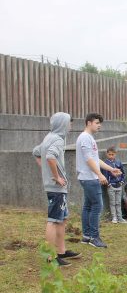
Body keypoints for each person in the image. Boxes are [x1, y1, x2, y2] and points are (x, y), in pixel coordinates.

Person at [33, 112, 81, 267]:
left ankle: (61, 251)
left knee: (62, 219)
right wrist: (56, 176)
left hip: (56, 187)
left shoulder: (49, 137)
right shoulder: (57, 140)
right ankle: (50, 256)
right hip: (56, 187)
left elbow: (36, 152)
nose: (70, 125)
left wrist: (45, 170)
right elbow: (50, 157)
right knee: (53, 220)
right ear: (62, 124)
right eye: (68, 122)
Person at [76, 113, 121, 248]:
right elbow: (88, 159)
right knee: (97, 206)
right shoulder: (85, 138)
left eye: (100, 123)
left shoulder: (89, 138)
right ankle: (94, 238)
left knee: (88, 206)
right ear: (89, 123)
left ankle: (86, 236)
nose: (99, 125)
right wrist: (100, 175)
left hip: (89, 177)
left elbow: (95, 159)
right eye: (96, 122)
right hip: (89, 178)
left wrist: (110, 169)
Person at [102, 146, 127, 224]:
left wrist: (122, 181)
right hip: (111, 185)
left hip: (119, 184)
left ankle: (120, 217)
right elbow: (104, 174)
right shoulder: (105, 163)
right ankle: (114, 217)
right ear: (107, 154)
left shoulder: (118, 162)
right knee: (112, 202)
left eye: (112, 154)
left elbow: (123, 172)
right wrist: (108, 184)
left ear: (115, 154)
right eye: (109, 154)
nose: (111, 156)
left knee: (118, 202)